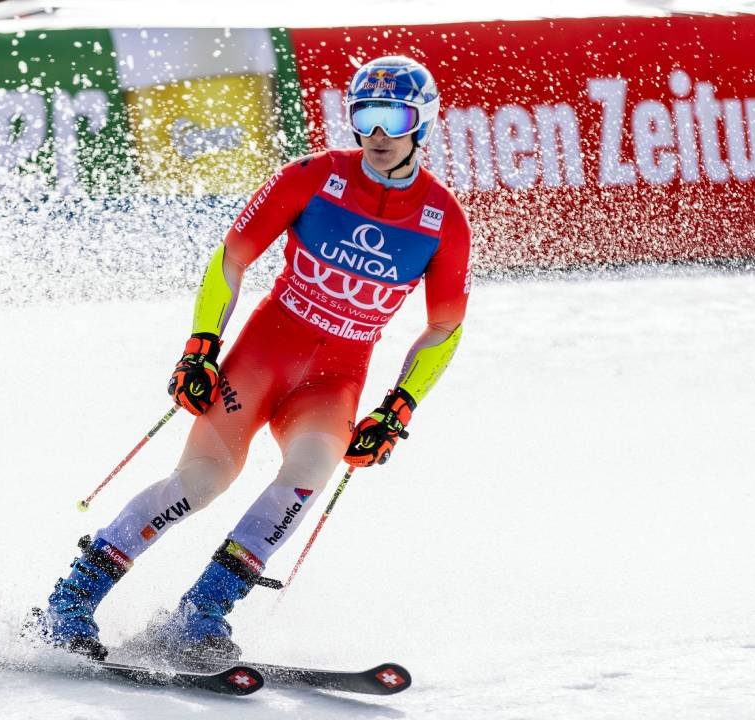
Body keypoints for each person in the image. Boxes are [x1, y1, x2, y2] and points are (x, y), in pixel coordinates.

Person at [32, 56, 472, 662]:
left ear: (421, 123)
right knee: (201, 483)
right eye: (363, 114)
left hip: (333, 379)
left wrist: (399, 406)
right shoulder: (312, 176)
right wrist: (201, 344)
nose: (375, 132)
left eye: (392, 117)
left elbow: (445, 325)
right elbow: (230, 258)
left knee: (309, 472)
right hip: (263, 358)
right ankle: (69, 603)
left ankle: (199, 618)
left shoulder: (442, 219)